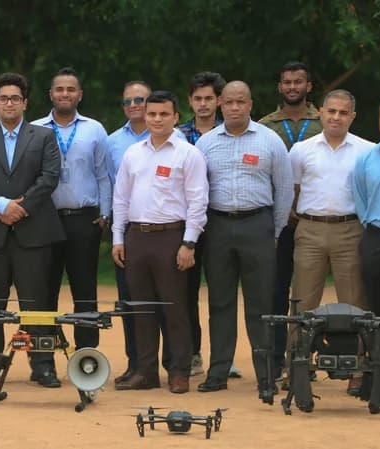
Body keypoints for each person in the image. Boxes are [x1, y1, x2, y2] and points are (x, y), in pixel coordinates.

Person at [0, 72, 65, 388]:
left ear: (25, 103)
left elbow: (50, 177)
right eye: (4, 98)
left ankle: (43, 365)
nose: (9, 103)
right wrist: (0, 205)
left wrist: (20, 207)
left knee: (37, 303)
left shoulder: (43, 136)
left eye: (15, 98)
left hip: (33, 231)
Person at [195, 81, 292, 404]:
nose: (235, 107)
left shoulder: (270, 141)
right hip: (218, 226)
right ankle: (218, 372)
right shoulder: (206, 143)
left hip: (258, 224)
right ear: (221, 104)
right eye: (230, 102)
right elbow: (197, 190)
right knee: (220, 302)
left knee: (260, 304)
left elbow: (284, 190)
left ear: (251, 104)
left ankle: (266, 376)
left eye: (242, 102)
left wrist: (273, 231)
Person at [111, 91, 208, 394]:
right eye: (151, 114)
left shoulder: (188, 153)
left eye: (163, 114)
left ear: (176, 117)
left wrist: (189, 242)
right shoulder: (133, 153)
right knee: (141, 309)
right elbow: (121, 197)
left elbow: (198, 200)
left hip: (172, 237)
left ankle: (179, 371)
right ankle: (145, 371)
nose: (156, 119)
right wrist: (118, 237)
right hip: (137, 236)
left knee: (175, 308)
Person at [290, 89, 372, 395]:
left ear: (352, 116)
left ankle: (358, 370)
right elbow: (293, 190)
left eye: (343, 112)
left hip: (350, 229)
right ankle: (295, 367)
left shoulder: (367, 150)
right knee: (302, 301)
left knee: (354, 303)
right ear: (320, 112)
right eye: (331, 111)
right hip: (310, 229)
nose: (336, 117)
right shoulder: (301, 150)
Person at [31, 67, 110, 352]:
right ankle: (45, 355)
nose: (65, 94)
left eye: (70, 89)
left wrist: (105, 212)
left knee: (85, 290)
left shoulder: (94, 129)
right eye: (59, 89)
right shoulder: (35, 129)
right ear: (51, 94)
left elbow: (103, 174)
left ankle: (86, 355)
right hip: (45, 220)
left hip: (84, 219)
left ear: (80, 95)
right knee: (44, 289)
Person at [258, 62, 323, 377]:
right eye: (287, 82)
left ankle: (303, 359)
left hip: (313, 221)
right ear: (279, 87)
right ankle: (274, 359)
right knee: (276, 291)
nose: (293, 87)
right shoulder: (265, 126)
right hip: (278, 223)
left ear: (309, 86)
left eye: (299, 82)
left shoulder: (323, 122)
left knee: (307, 293)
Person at [178, 71, 235, 378]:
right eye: (197, 98)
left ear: (220, 101)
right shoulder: (178, 135)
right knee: (187, 293)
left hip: (221, 221)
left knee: (222, 291)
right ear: (190, 101)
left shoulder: (232, 133)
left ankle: (225, 356)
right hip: (186, 223)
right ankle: (193, 352)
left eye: (209, 98)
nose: (203, 104)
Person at [101, 80, 150, 384]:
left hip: (165, 229)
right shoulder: (112, 142)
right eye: (127, 101)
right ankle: (136, 364)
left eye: (140, 99)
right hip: (128, 227)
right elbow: (110, 184)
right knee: (129, 300)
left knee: (163, 301)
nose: (133, 105)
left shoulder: (175, 138)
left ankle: (172, 364)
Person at [353, 97, 380, 344]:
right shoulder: (366, 159)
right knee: (376, 301)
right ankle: (379, 365)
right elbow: (360, 198)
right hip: (377, 235)